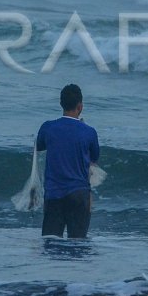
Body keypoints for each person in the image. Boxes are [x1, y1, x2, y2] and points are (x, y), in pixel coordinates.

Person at [35, 83, 100, 239]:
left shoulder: (47, 128)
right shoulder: (89, 132)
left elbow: (38, 147)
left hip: (53, 194)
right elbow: (94, 159)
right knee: (78, 245)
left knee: (51, 243)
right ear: (80, 106)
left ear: (61, 104)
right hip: (79, 195)